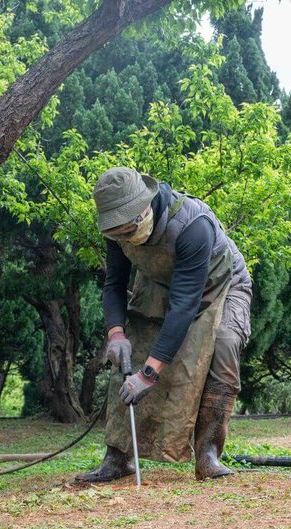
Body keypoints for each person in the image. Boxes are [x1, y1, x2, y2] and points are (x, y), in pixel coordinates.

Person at [76, 167, 253, 482]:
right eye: (117, 234)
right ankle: (117, 457)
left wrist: (149, 375)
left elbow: (184, 306)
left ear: (145, 207)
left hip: (222, 286)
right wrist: (116, 334)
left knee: (223, 346)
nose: (125, 239)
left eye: (129, 231)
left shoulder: (193, 226)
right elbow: (114, 283)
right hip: (160, 284)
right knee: (131, 351)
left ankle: (208, 454)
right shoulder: (117, 231)